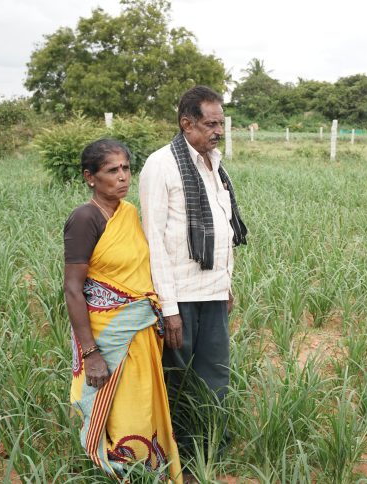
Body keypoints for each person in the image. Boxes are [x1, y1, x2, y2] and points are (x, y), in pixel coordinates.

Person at [139, 86, 248, 462]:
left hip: (213, 292)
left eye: (221, 123)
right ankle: (181, 457)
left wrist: (226, 286)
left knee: (215, 374)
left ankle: (212, 447)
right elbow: (155, 240)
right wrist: (168, 308)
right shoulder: (161, 165)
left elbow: (223, 231)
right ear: (187, 124)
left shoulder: (213, 164)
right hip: (180, 296)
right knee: (179, 379)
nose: (219, 131)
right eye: (211, 124)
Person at [63, 139, 182, 482]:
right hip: (107, 335)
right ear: (90, 177)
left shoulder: (129, 213)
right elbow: (73, 288)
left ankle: (152, 472)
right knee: (120, 413)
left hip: (140, 333)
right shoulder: (85, 219)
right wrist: (91, 353)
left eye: (126, 168)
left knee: (144, 406)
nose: (122, 177)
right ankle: (120, 472)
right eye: (112, 170)